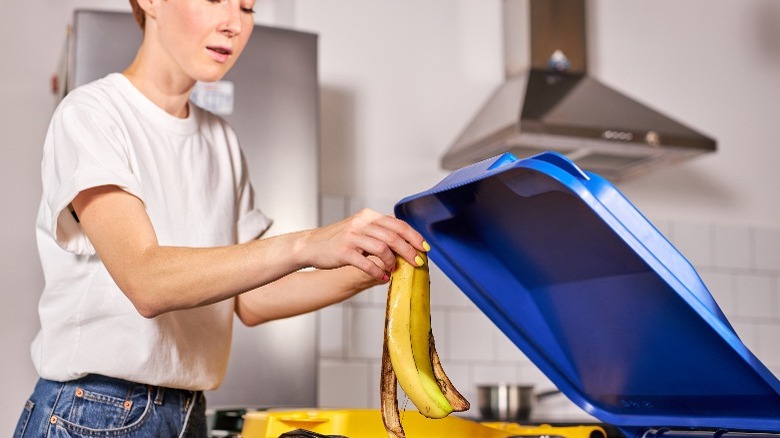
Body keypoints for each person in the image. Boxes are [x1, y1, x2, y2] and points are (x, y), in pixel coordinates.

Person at [14, 0, 429, 436]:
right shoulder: (91, 115)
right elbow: (145, 280)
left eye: (247, 6)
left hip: (188, 412)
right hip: (95, 413)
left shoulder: (220, 141)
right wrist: (307, 243)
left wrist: (375, 265)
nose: (234, 23)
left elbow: (252, 299)